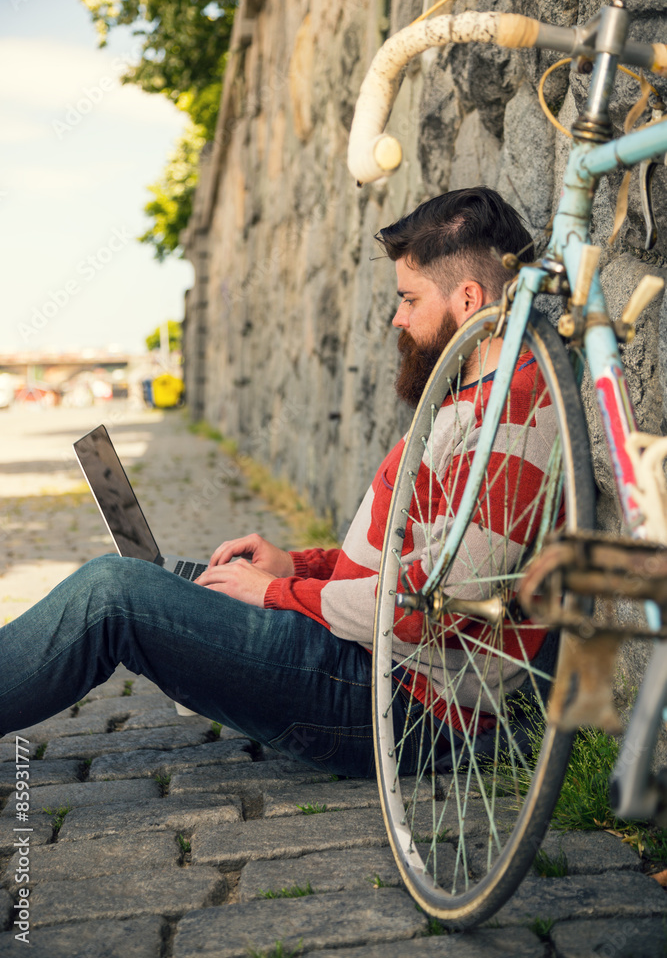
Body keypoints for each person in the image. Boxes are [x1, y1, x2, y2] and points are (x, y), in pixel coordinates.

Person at [0, 186, 544, 778]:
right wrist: (296, 568)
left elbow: (431, 607)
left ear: (469, 299)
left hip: (397, 705)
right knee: (150, 583)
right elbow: (414, 564)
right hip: (369, 663)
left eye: (409, 299)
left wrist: (272, 595)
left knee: (114, 595)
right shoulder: (476, 402)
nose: (397, 318)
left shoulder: (511, 418)